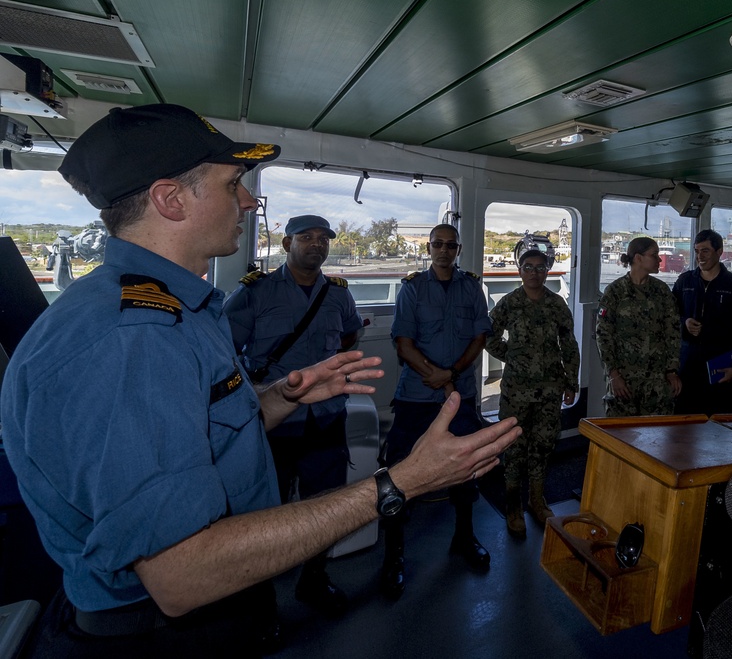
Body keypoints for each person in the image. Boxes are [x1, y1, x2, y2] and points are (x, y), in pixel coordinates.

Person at [0, 103, 520, 658]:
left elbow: (203, 426)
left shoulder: (180, 308)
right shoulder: (134, 338)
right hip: (161, 633)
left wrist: (278, 397)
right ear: (170, 200)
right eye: (233, 184)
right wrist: (401, 484)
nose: (248, 201)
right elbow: (182, 576)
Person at [223, 214, 362, 617]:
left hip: (326, 420)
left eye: (323, 239)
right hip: (274, 423)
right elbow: (228, 352)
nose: (316, 245)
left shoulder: (338, 295)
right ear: (287, 245)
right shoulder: (257, 292)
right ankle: (262, 604)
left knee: (325, 505)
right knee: (265, 515)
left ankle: (314, 580)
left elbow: (350, 334)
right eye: (306, 237)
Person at [380, 223, 493, 599]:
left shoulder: (472, 287)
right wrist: (439, 378)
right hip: (417, 395)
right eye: (438, 245)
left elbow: (479, 336)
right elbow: (403, 343)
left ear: (458, 249)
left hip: (459, 393)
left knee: (466, 470)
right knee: (398, 475)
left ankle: (464, 537)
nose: (444, 251)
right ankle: (394, 556)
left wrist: (454, 375)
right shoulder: (412, 288)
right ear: (428, 248)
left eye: (451, 245)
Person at [485, 249, 580, 539]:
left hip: (550, 391)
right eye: (529, 267)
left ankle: (537, 502)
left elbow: (569, 344)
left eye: (540, 267)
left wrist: (570, 381)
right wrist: (511, 357)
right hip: (517, 391)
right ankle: (513, 507)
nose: (535, 272)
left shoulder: (556, 305)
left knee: (542, 447)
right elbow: (488, 335)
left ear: (548, 270)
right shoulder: (509, 303)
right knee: (514, 450)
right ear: (520, 270)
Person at [672, 230, 732, 416]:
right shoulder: (684, 282)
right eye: (696, 251)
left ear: (719, 252)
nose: (699, 257)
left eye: (705, 251)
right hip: (688, 369)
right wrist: (684, 323)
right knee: (685, 430)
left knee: (721, 432)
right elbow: (670, 320)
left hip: (722, 370)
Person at [595, 236, 682, 417]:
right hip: (624, 382)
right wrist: (613, 374)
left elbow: (672, 332)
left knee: (659, 438)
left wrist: (672, 371)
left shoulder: (662, 291)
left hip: (657, 381)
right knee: (621, 436)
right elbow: (603, 335)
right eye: (655, 255)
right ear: (638, 258)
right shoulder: (615, 292)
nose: (659, 259)